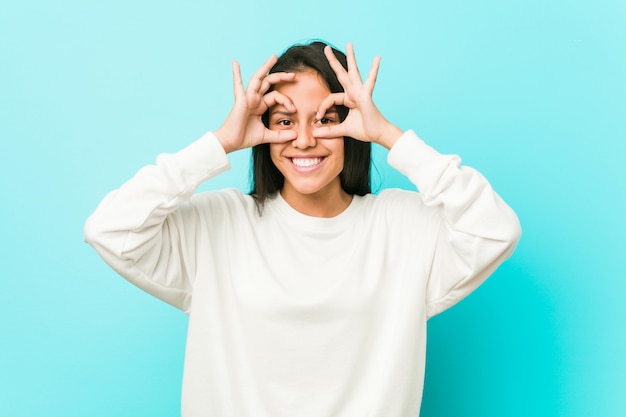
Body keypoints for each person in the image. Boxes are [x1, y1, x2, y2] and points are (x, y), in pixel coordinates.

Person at [84, 40, 521, 417]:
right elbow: (110, 229)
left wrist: (389, 135)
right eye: (285, 121)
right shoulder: (218, 225)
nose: (305, 139)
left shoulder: (401, 227)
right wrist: (220, 142)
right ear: (263, 130)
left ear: (351, 127)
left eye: (326, 119)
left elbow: (495, 229)